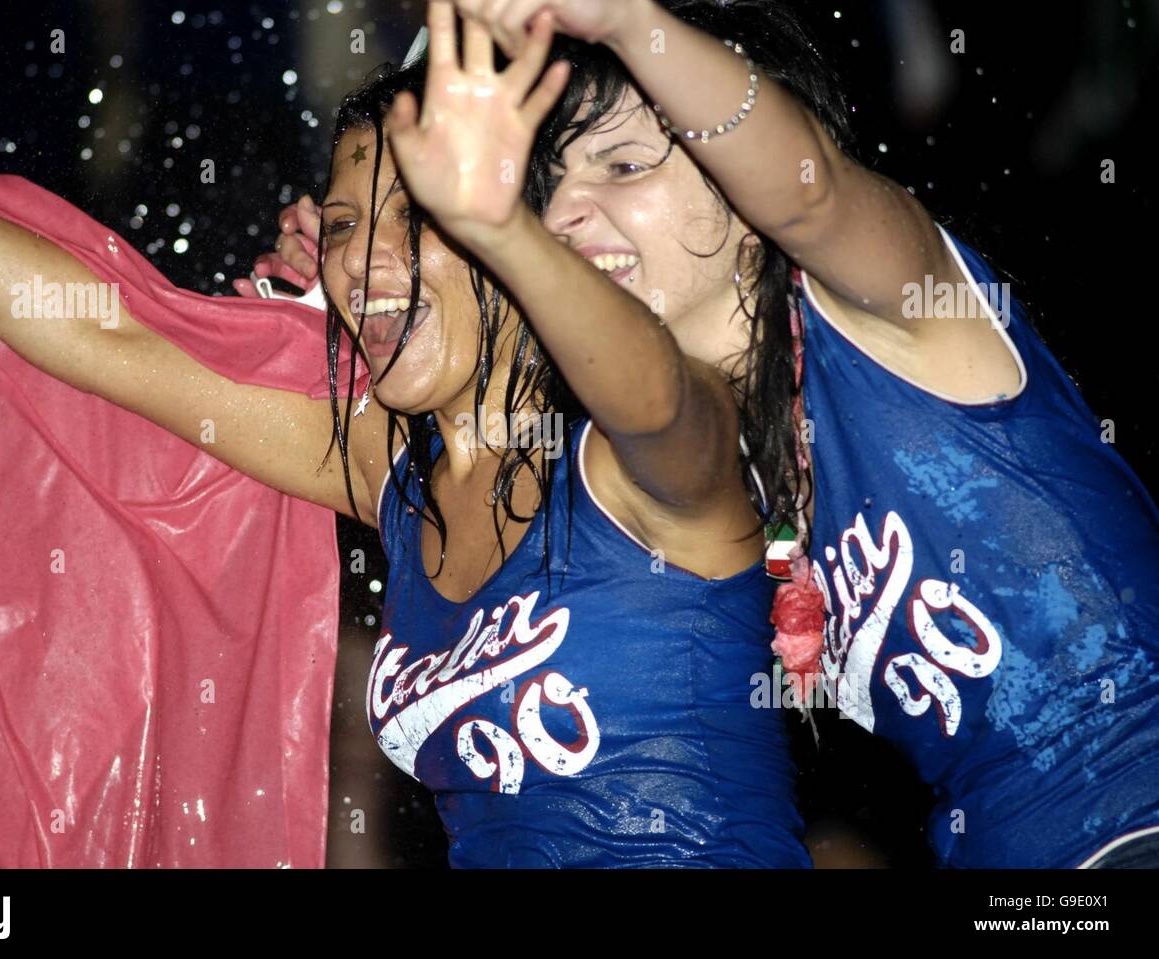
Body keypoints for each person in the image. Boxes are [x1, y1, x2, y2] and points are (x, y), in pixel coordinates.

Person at [0, 4, 812, 868]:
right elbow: (106, 333)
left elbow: (648, 391)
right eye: (347, 223)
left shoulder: (660, 455)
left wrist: (505, 230)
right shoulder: (386, 473)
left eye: (421, 214)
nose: (362, 258)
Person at [252, 0, 1159, 869]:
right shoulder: (668, 453)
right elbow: (478, 386)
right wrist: (367, 283)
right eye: (550, 181)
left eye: (622, 166)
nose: (568, 210)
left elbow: (810, 195)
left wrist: (626, 20)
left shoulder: (897, 310)